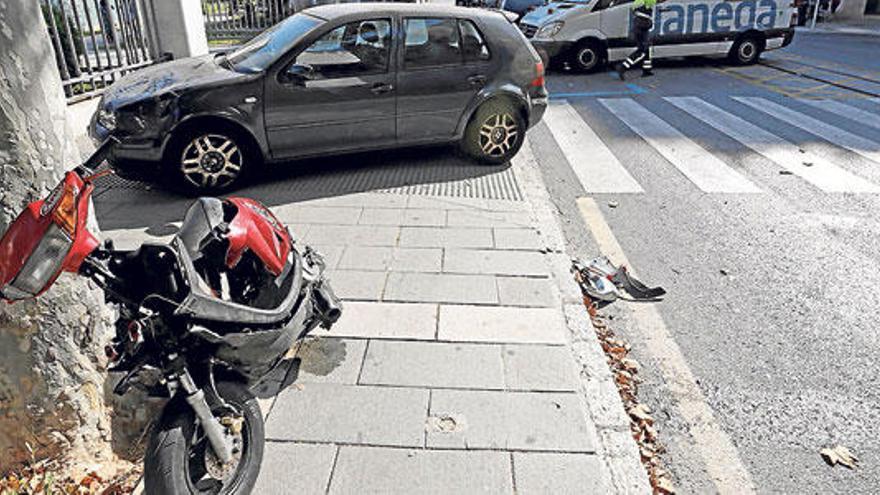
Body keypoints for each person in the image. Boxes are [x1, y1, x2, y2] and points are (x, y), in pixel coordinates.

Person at [615, 0, 657, 80]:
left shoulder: (638, 3)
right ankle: (623, 67)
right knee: (642, 50)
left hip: (638, 26)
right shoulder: (647, 3)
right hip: (642, 27)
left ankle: (646, 70)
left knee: (647, 49)